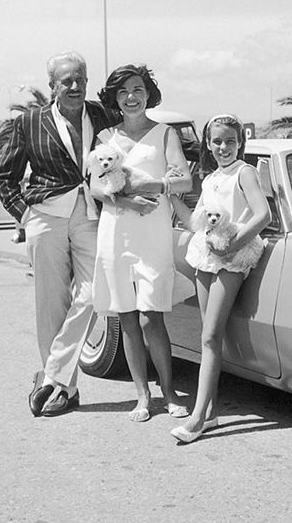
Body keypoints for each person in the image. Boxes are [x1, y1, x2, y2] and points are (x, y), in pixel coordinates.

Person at [0, 50, 121, 417]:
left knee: (96, 291)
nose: (75, 85)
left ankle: (50, 376)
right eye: (67, 80)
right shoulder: (30, 122)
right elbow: (4, 176)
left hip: (92, 214)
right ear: (52, 86)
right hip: (45, 216)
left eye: (80, 78)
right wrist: (24, 216)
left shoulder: (101, 114)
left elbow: (140, 116)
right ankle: (65, 389)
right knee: (51, 304)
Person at [90, 64, 192, 422]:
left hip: (154, 233)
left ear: (148, 93)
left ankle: (170, 392)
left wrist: (152, 187)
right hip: (116, 232)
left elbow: (184, 182)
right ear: (114, 99)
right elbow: (96, 188)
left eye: (137, 89)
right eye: (122, 92)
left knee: (152, 316)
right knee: (128, 317)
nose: (131, 97)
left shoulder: (165, 134)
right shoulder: (105, 137)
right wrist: (126, 200)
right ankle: (141, 396)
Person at [169, 114, 270, 443]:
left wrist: (232, 246)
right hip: (206, 255)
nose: (223, 147)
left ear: (240, 141)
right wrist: (170, 195)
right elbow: (196, 223)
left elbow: (262, 215)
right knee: (206, 337)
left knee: (212, 336)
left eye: (229, 140)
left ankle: (197, 419)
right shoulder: (211, 177)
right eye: (217, 142)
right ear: (208, 145)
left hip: (233, 256)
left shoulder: (245, 172)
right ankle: (209, 411)